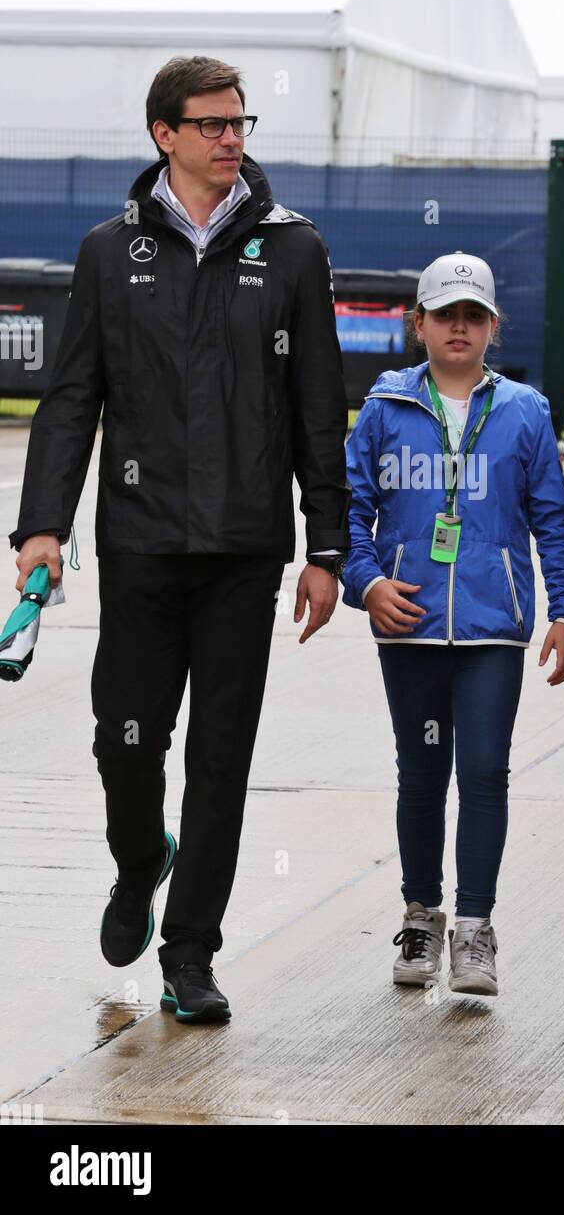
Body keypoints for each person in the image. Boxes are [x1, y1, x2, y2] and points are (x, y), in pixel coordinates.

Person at [9, 55, 350, 1024]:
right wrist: (41, 527)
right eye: (210, 124)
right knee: (124, 739)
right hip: (143, 543)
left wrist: (326, 549)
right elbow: (72, 397)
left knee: (221, 758)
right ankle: (136, 858)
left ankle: (189, 952)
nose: (231, 136)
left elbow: (317, 407)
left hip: (246, 548)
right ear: (164, 134)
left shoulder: (291, 250)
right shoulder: (109, 251)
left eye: (239, 121)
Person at [341, 252, 564, 997]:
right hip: (408, 625)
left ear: (492, 328)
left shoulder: (525, 411)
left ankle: (474, 930)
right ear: (418, 324)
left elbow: (554, 518)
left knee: (484, 773)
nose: (459, 327)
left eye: (473, 315)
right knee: (420, 776)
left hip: (492, 629)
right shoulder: (385, 409)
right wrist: (368, 582)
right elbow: (348, 511)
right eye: (444, 314)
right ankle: (422, 917)